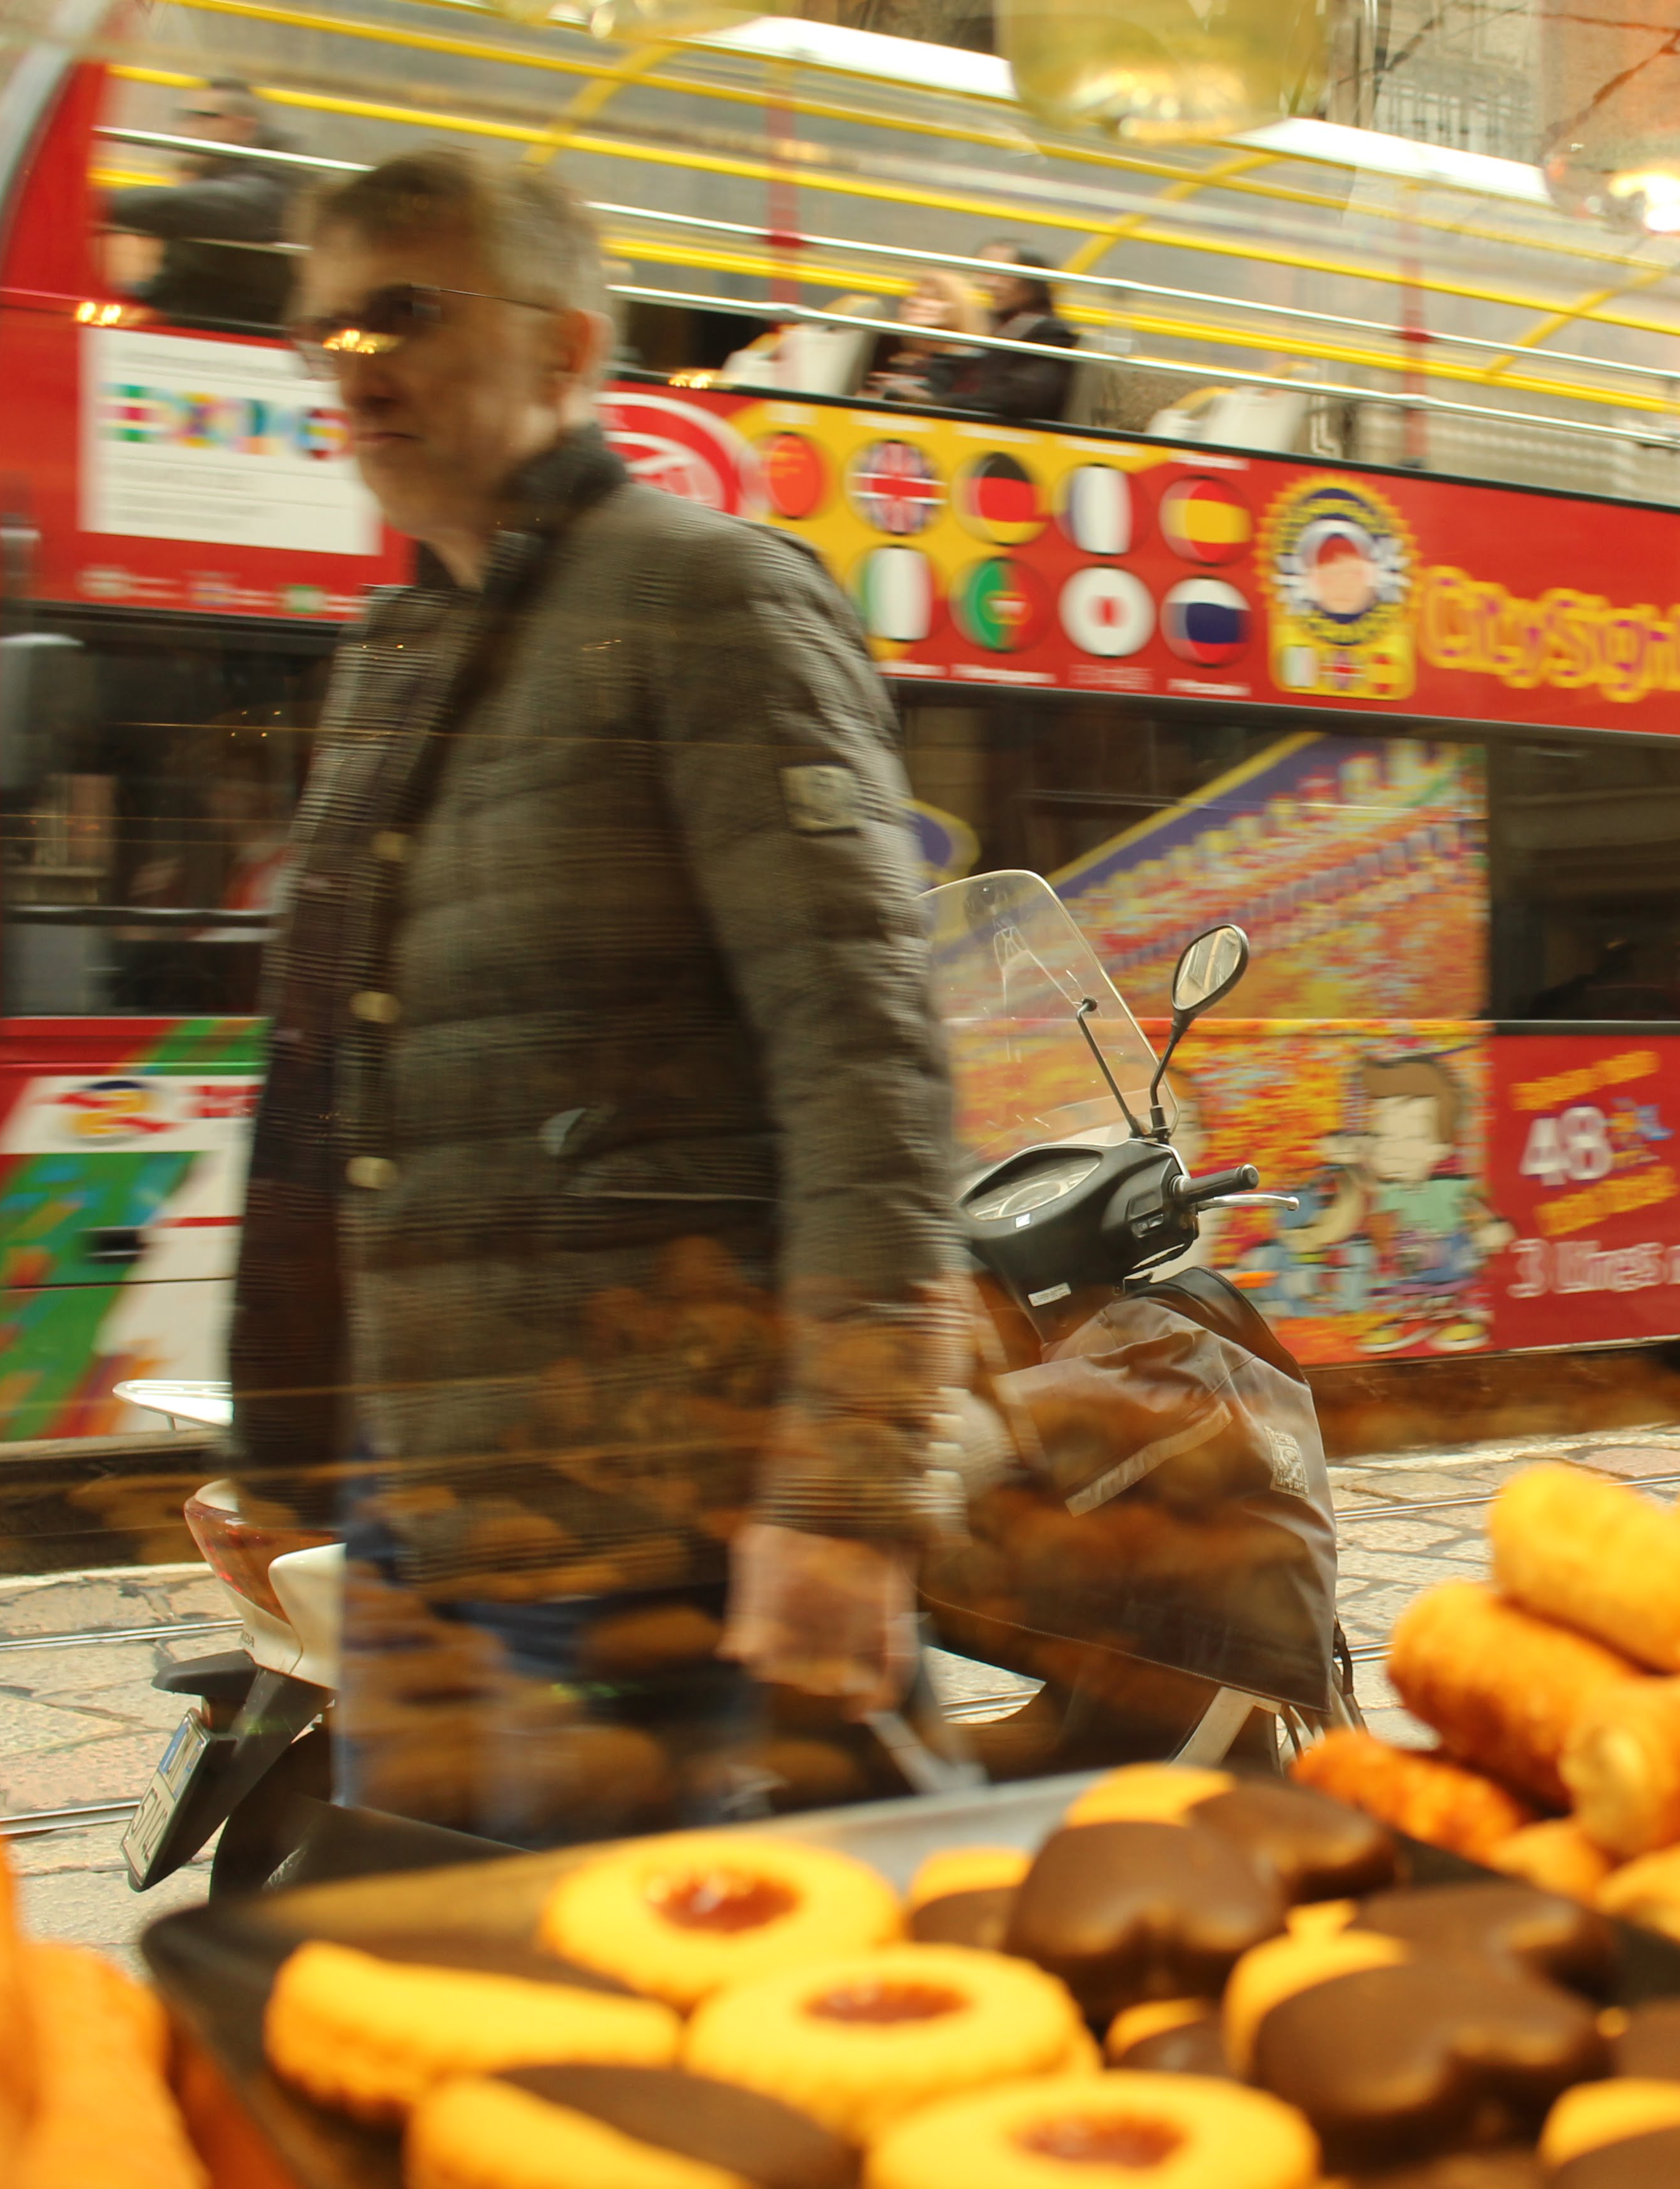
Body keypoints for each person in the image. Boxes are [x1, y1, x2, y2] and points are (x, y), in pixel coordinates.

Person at [236, 146, 961, 1844]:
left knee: (703, 2047)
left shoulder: (706, 600)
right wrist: (289, 1465)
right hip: (429, 1526)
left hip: (671, 1538)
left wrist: (849, 1494)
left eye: (401, 315)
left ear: (566, 351)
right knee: (459, 2014)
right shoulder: (390, 661)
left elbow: (865, 1071)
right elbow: (344, 1106)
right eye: (325, 336)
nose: (355, 369)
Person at [103, 78, 301, 329]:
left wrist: (94, 202)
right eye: (182, 118)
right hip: (202, 319)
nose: (182, 131)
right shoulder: (213, 178)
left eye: (198, 118)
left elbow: (217, 207)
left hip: (245, 329)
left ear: (241, 126)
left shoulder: (279, 179)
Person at [934, 239, 1079, 424]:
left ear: (1031, 282)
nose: (990, 284)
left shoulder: (1050, 334)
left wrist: (945, 402)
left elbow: (1020, 397)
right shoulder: (991, 323)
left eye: (1003, 275)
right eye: (985, 272)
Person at [858, 272, 981, 405]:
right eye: (917, 295)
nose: (917, 303)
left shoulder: (969, 361)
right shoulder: (884, 347)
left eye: (936, 298)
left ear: (958, 309)